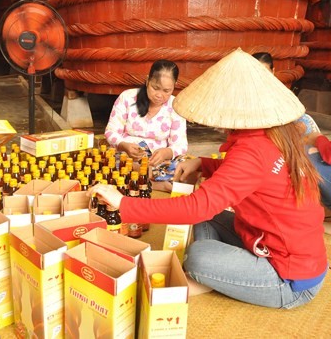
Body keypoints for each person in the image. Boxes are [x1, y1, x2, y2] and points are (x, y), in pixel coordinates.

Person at [90, 49, 327, 309]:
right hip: (274, 241)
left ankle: (213, 275)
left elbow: (195, 207)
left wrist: (124, 204)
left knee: (198, 257)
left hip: (290, 277)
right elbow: (242, 176)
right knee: (208, 216)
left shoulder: (251, 152)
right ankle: (225, 272)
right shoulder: (273, 135)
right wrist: (203, 163)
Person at [252, 52, 329, 209]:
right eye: (255, 74)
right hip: (276, 143)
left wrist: (315, 139)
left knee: (308, 156)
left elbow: (301, 127)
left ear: (273, 72)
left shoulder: (283, 97)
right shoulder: (244, 98)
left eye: (264, 73)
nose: (260, 79)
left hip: (293, 138)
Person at [104, 60, 188, 183]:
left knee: (185, 166)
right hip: (127, 158)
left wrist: (167, 152)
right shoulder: (127, 97)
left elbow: (181, 145)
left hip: (159, 163)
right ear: (148, 80)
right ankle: (156, 182)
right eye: (155, 88)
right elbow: (111, 132)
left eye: (166, 91)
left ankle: (142, 178)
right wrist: (124, 145)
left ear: (174, 85)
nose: (159, 95)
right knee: (109, 162)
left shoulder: (176, 106)